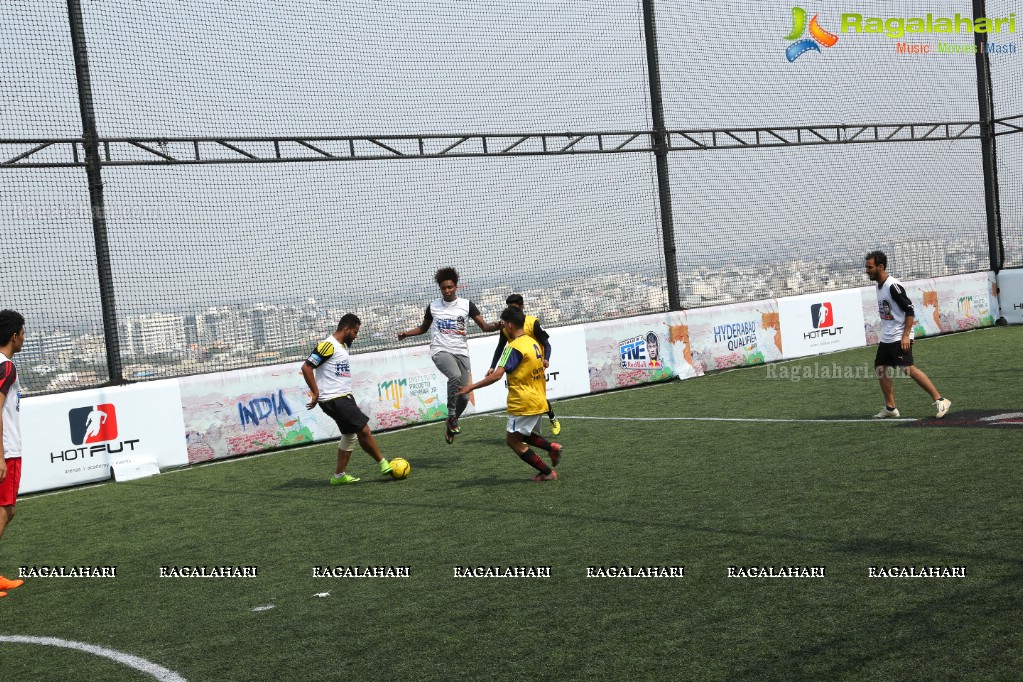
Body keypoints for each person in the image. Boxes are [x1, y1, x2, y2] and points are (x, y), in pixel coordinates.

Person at [458, 306, 563, 482]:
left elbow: (498, 375)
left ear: (510, 325)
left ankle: (546, 473)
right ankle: (552, 447)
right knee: (523, 435)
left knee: (513, 441)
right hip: (539, 399)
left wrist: (471, 387)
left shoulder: (513, 347)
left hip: (523, 402)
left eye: (504, 324)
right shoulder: (533, 342)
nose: (504, 327)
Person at [397, 267, 499, 443]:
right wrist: (406, 334)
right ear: (440, 288)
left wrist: (498, 325)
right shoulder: (433, 306)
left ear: (456, 287)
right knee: (454, 375)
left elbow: (485, 327)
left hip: (461, 352)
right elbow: (423, 328)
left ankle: (452, 422)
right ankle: (451, 416)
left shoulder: (467, 305)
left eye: (450, 287)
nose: (447, 291)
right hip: (440, 350)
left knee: (465, 396)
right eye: (443, 288)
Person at [301, 314, 394, 485]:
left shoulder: (342, 345)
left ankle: (339, 476)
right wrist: (315, 392)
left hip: (342, 398)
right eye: (355, 332)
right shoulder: (328, 346)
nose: (356, 336)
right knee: (363, 430)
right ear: (346, 329)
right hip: (334, 398)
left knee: (349, 435)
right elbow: (306, 367)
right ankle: (383, 463)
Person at [865, 251, 951, 419]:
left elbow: (910, 309)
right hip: (888, 337)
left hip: (899, 336)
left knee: (907, 368)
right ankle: (891, 408)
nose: (867, 270)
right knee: (880, 368)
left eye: (870, 267)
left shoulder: (892, 286)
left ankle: (940, 400)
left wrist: (906, 336)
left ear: (880, 267)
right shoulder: (879, 285)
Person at [487, 294, 561, 435]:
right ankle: (527, 433)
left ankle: (551, 418)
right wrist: (492, 366)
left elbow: (546, 343)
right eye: (509, 308)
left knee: (537, 395)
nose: (511, 311)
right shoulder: (506, 327)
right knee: (529, 395)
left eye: (514, 308)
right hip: (517, 365)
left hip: (533, 363)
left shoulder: (532, 323)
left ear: (522, 307)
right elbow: (500, 347)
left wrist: (547, 358)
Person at [0, 310, 27, 598]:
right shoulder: (6, 367)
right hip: (7, 450)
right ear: (14, 336)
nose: (24, 337)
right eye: (23, 331)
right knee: (5, 511)